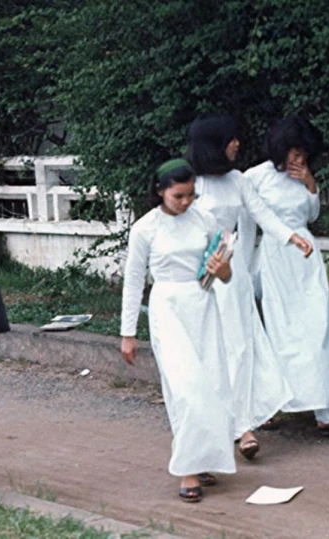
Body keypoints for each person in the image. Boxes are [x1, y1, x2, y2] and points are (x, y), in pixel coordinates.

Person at [186, 114, 312, 458]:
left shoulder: (239, 180)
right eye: (230, 138)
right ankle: (211, 426)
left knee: (241, 347)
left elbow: (262, 215)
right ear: (214, 143)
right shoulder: (190, 183)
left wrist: (292, 237)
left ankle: (244, 428)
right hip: (199, 275)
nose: (237, 143)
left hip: (233, 272)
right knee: (210, 350)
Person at [120, 158, 236, 503]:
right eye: (178, 196)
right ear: (160, 192)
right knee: (184, 388)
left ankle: (204, 459)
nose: (186, 202)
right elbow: (133, 280)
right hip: (168, 307)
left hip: (203, 303)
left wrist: (224, 269)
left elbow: (225, 274)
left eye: (190, 195)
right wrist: (128, 332)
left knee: (212, 384)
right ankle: (187, 468)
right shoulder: (145, 228)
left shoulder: (205, 219)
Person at [244, 114, 329, 437]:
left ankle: (328, 411)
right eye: (294, 152)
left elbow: (310, 214)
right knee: (283, 334)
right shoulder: (256, 177)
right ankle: (269, 405)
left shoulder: (303, 175)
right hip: (276, 258)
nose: (299, 158)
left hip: (306, 256)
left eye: (304, 153)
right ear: (280, 149)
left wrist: (310, 183)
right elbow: (250, 221)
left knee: (320, 327)